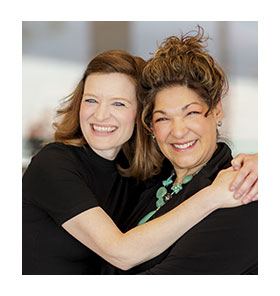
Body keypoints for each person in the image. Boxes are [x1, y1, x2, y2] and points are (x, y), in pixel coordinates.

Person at [22, 49, 257, 275]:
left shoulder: (141, 173)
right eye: (91, 100)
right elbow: (120, 252)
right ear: (151, 125)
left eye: (119, 103)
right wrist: (212, 195)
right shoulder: (53, 164)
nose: (101, 115)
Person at [104, 27, 258, 274]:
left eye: (192, 113)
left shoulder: (243, 194)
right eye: (163, 118)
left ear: (217, 109)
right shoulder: (150, 183)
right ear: (150, 126)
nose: (177, 131)